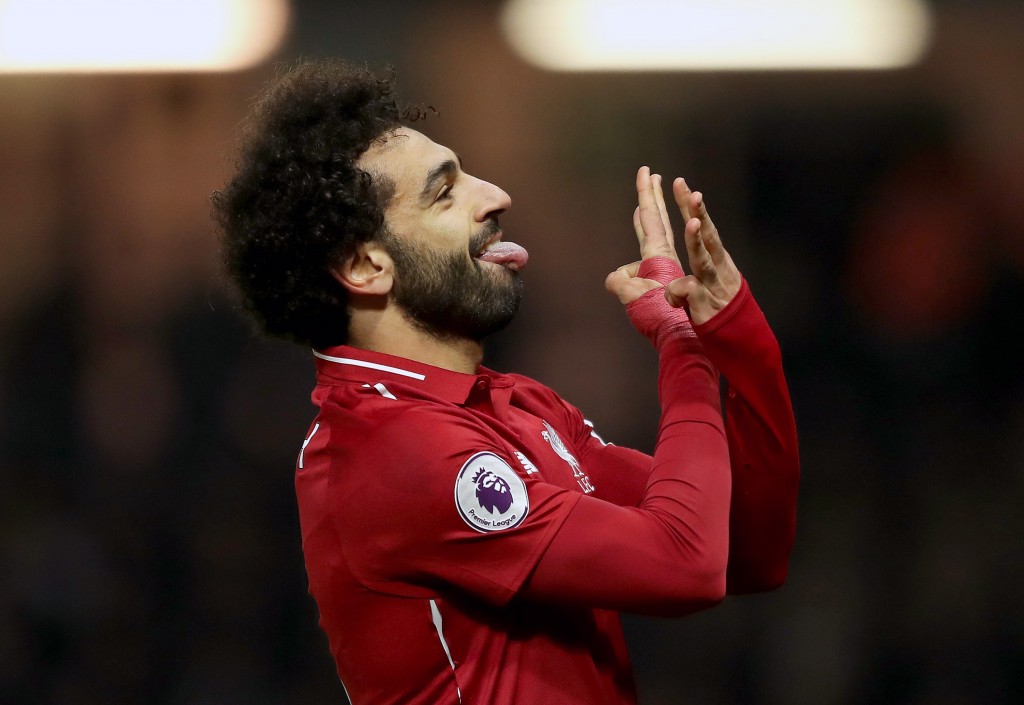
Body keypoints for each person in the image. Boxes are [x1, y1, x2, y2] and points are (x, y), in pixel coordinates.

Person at [212, 58, 799, 705]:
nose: (495, 195)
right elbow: (686, 562)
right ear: (365, 265)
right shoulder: (389, 450)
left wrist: (738, 336)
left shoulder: (514, 403)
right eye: (445, 191)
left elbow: (744, 548)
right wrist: (684, 345)